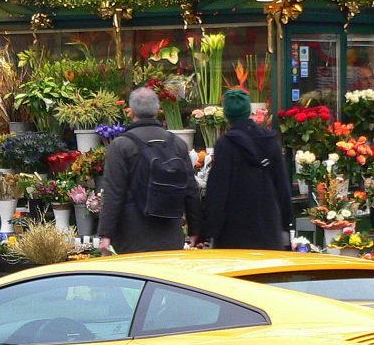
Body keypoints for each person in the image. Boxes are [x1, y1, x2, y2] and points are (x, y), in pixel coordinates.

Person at [98, 87, 201, 255]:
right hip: (170, 234)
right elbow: (191, 189)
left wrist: (106, 235)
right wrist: (196, 229)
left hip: (132, 236)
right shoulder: (177, 144)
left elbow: (113, 192)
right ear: (158, 110)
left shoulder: (121, 145)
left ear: (130, 112)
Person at [202, 89, 294, 249]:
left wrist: (209, 230)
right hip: (268, 226)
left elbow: (218, 189)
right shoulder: (270, 139)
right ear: (249, 111)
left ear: (227, 115)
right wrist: (287, 223)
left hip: (233, 231)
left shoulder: (225, 143)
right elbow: (282, 184)